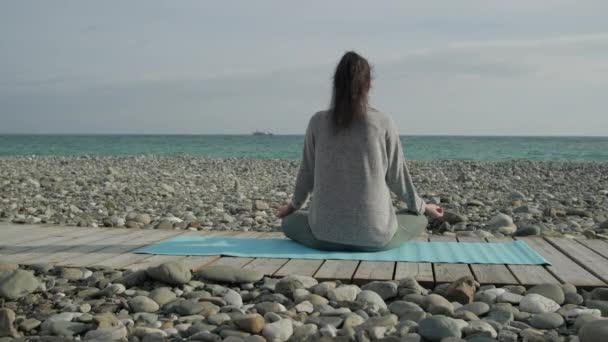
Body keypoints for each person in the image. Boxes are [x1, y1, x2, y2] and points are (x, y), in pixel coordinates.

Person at [275, 51, 443, 252]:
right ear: (369, 84)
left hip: (323, 237)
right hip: (376, 240)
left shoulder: (317, 122)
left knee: (289, 222)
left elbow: (307, 174)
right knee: (419, 218)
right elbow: (397, 178)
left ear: (335, 84)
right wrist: (424, 207)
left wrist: (292, 207)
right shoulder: (382, 122)